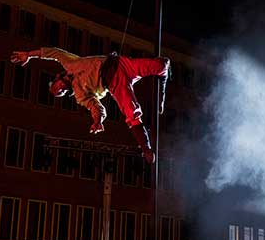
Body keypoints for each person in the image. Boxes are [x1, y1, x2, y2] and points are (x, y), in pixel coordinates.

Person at [10, 47, 170, 163]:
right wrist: (98, 120)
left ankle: (161, 94)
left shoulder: (70, 64)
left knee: (162, 65)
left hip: (119, 63)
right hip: (114, 82)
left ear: (57, 77)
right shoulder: (80, 95)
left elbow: (53, 53)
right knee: (132, 114)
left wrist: (29, 55)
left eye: (56, 87)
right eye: (60, 93)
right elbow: (96, 107)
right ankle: (146, 148)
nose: (60, 90)